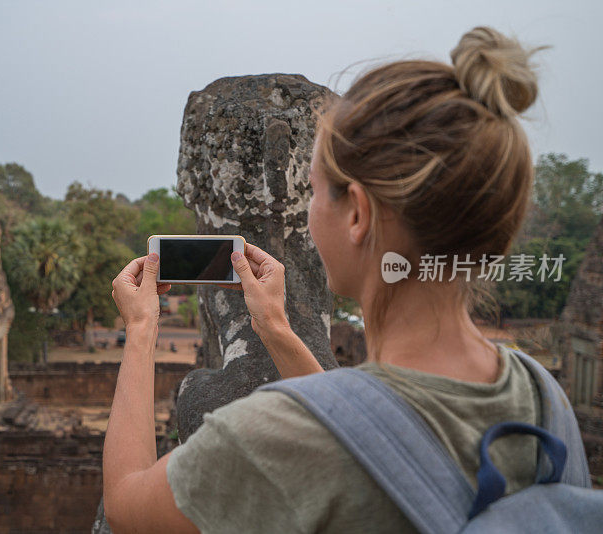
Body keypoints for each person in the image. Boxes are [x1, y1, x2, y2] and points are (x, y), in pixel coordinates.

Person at [103, 26, 555, 533]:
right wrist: (274, 327)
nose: (310, 213)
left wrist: (140, 331)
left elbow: (125, 504)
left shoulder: (271, 435)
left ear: (357, 214)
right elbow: (359, 425)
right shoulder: (539, 397)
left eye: (313, 192)